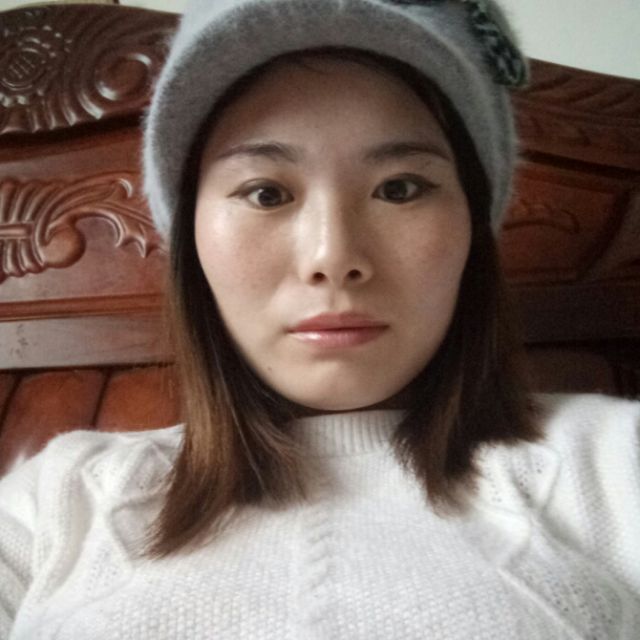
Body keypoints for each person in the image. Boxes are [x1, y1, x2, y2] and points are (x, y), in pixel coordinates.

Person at [1, 0, 639, 638]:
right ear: (192, 233)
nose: (332, 258)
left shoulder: (614, 464)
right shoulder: (59, 500)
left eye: (400, 188)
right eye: (266, 193)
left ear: (472, 225)